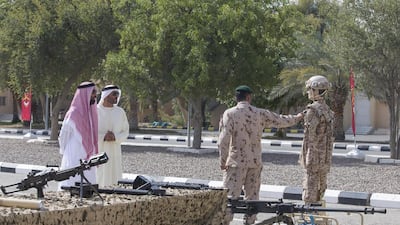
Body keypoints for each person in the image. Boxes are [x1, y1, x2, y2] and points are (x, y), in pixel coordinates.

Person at [218, 85, 303, 225]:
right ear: (249, 97)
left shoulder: (230, 113)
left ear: (236, 98)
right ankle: (249, 222)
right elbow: (281, 120)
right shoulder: (259, 113)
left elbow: (223, 140)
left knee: (229, 199)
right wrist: (298, 117)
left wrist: (222, 160)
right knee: (252, 199)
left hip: (236, 163)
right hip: (255, 163)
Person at [299, 75, 335, 206]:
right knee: (321, 188)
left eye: (310, 89)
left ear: (316, 90)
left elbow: (310, 136)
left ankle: (310, 217)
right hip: (325, 157)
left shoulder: (312, 110)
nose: (308, 92)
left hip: (313, 157)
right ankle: (317, 214)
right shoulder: (329, 112)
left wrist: (307, 158)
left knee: (310, 189)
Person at [58, 81, 98, 190]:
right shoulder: (73, 113)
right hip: (74, 154)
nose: (95, 95)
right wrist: (66, 151)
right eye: (93, 92)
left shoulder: (91, 112)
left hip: (88, 156)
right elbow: (63, 136)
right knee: (72, 183)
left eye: (95, 92)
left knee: (89, 185)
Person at [96, 85, 129, 187]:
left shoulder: (120, 112)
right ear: (106, 95)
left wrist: (115, 137)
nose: (116, 96)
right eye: (114, 94)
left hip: (115, 149)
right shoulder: (95, 111)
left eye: (117, 94)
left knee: (115, 175)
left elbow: (125, 131)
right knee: (100, 174)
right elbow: (89, 132)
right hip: (99, 150)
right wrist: (103, 137)